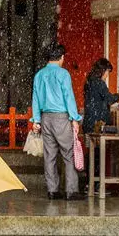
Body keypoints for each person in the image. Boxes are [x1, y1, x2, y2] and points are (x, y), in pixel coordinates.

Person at [31, 44, 81, 200]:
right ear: (61, 58)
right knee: (68, 154)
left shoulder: (39, 75)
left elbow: (36, 98)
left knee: (50, 155)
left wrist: (36, 119)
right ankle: (71, 190)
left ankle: (52, 190)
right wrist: (74, 118)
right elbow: (68, 97)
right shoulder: (63, 74)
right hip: (61, 117)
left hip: (45, 118)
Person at [82, 57, 117, 134]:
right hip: (98, 125)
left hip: (88, 123)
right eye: (107, 71)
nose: (107, 75)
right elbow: (109, 99)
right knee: (106, 143)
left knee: (90, 145)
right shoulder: (99, 83)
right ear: (102, 70)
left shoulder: (88, 82)